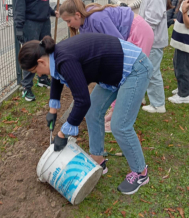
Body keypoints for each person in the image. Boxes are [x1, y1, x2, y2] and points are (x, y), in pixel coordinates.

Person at [18, 33, 153, 195]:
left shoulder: (64, 59)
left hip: (134, 68)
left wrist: (63, 133)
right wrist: (52, 110)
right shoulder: (55, 56)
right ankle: (98, 160)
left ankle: (140, 173)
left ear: (41, 61)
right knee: (93, 112)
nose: (38, 75)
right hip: (112, 71)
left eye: (35, 71)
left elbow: (82, 100)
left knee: (120, 125)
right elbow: (57, 77)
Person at [58, 0, 154, 131]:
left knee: (127, 75)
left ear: (77, 15)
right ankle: (113, 112)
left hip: (139, 32)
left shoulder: (97, 18)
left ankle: (122, 121)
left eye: (68, 21)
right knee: (115, 76)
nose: (68, 25)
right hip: (128, 36)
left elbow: (118, 44)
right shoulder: (84, 25)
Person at [14, 0, 55, 102]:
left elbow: (43, 1)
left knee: (45, 49)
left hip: (44, 22)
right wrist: (19, 28)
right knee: (32, 54)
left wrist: (52, 11)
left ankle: (42, 78)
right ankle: (26, 87)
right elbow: (19, 6)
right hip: (30, 24)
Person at [134, 0, 172, 113]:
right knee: (145, 70)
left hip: (153, 41)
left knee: (152, 71)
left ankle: (158, 104)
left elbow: (152, 21)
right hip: (148, 40)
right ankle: (142, 97)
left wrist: (138, 27)